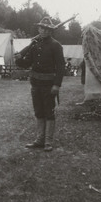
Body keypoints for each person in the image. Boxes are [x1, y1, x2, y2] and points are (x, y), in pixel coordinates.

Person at [17, 16, 65, 151]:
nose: (44, 31)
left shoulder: (56, 45)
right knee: (38, 111)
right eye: (42, 28)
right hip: (35, 83)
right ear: (38, 28)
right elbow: (27, 63)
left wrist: (57, 85)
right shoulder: (34, 44)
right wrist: (19, 59)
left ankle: (48, 142)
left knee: (49, 112)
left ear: (51, 31)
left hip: (49, 84)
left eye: (47, 29)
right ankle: (39, 139)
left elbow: (61, 67)